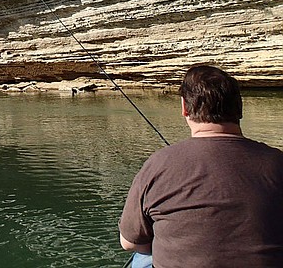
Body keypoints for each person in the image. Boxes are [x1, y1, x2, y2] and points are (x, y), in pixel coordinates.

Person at [118, 64, 283, 267]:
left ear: (184, 108)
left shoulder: (157, 164)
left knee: (142, 258)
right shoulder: (277, 162)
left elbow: (129, 242)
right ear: (239, 108)